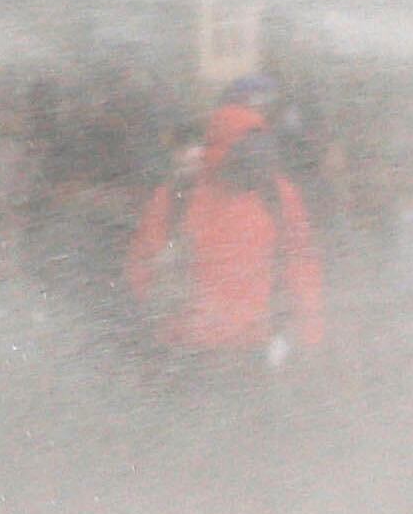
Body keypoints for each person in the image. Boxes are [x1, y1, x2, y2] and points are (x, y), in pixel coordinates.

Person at [126, 76, 328, 371]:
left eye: (260, 148)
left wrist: (307, 335)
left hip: (254, 351)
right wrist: (167, 320)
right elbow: (142, 263)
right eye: (245, 150)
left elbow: (301, 262)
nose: (255, 161)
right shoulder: (177, 196)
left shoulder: (276, 193)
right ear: (222, 148)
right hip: (189, 352)